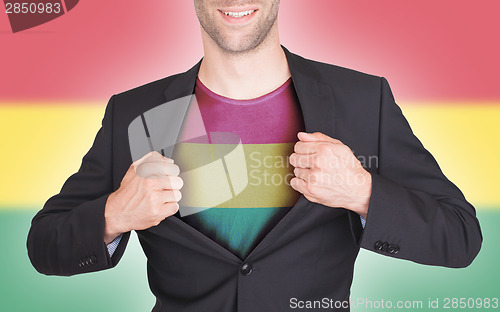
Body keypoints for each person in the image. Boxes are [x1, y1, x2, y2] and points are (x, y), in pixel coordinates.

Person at [27, 1, 482, 311]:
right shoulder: (136, 113)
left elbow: (460, 237)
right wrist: (114, 214)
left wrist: (363, 192)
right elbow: (44, 245)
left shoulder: (362, 100)